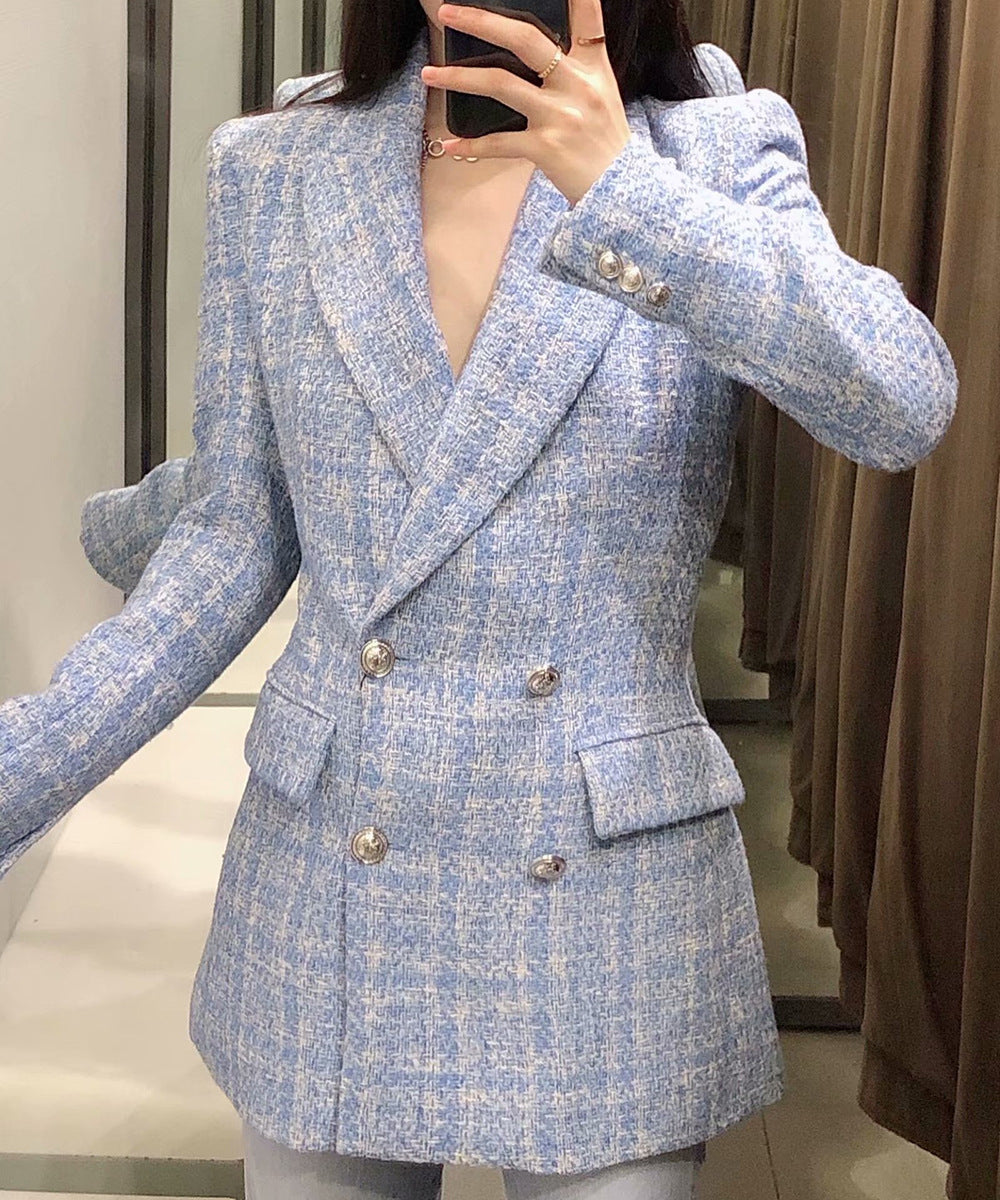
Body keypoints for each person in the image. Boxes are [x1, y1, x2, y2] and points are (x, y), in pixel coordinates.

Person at [0, 0, 958, 1196]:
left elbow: (900, 401)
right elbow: (232, 539)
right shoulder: (279, 165)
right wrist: (21, 768)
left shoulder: (707, 146)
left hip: (606, 891)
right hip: (331, 881)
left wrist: (621, 190)